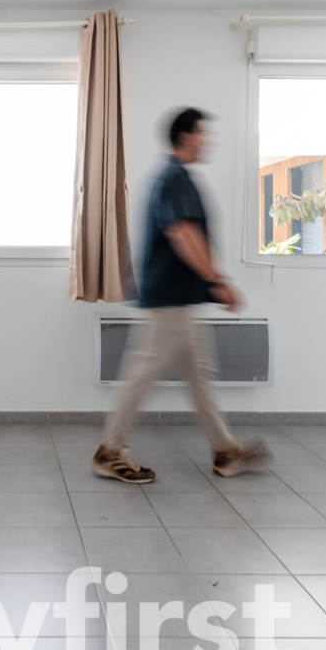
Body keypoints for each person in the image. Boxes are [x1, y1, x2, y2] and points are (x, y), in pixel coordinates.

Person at [93, 108, 271, 484]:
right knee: (144, 371)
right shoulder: (174, 177)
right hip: (170, 297)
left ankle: (225, 449)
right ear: (186, 136)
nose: (207, 140)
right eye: (202, 133)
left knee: (198, 372)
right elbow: (183, 234)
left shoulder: (175, 177)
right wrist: (217, 281)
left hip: (178, 297)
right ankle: (109, 451)